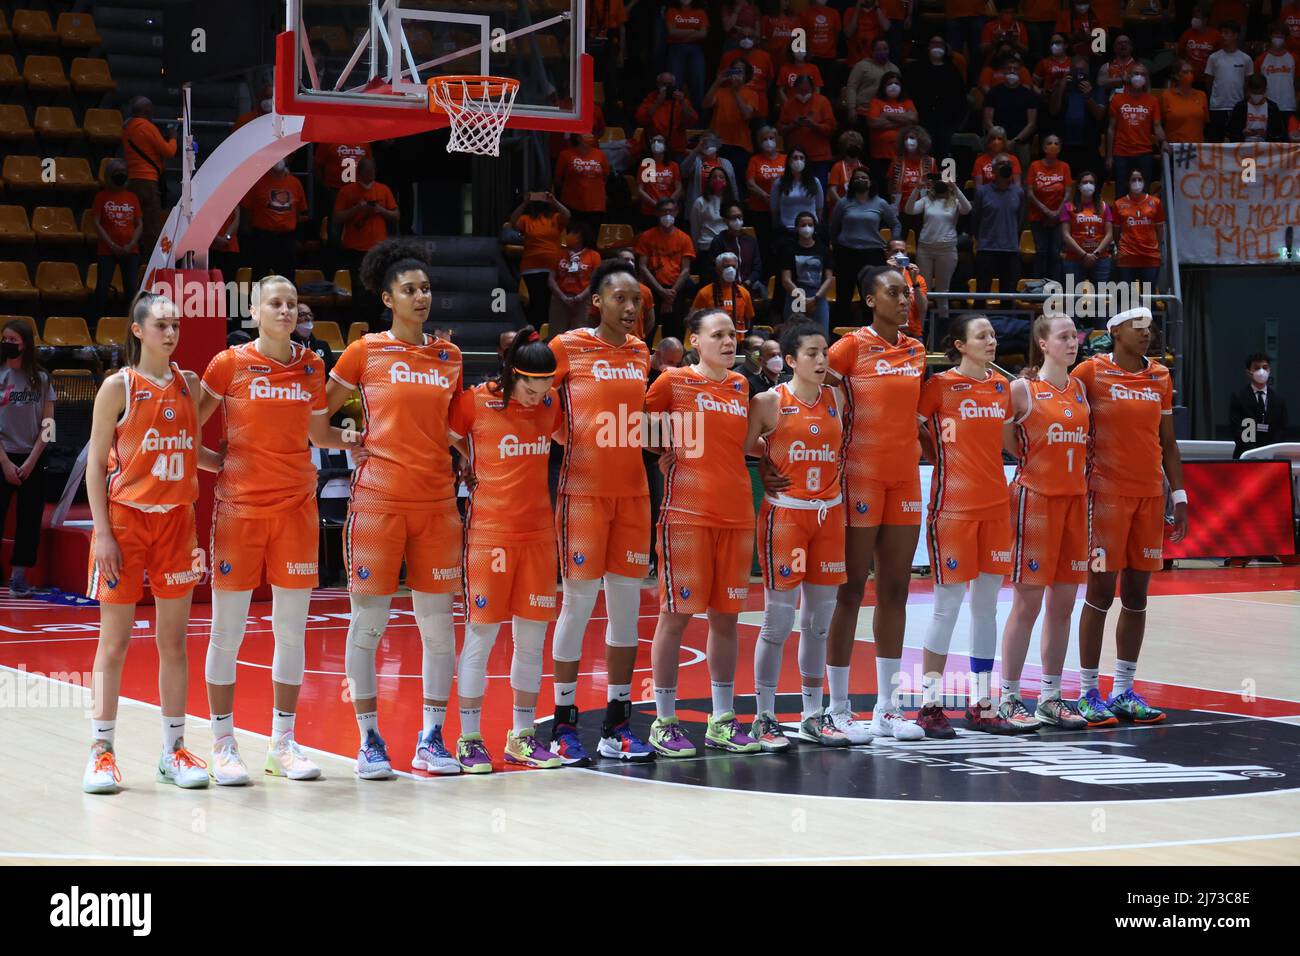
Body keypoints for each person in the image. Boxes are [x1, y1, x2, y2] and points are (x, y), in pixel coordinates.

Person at [197, 276, 354, 783]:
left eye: (292, 304)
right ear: (254, 310)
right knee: (228, 632)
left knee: (291, 630)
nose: (286, 311)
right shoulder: (229, 363)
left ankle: (282, 744)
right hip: (239, 509)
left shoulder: (311, 365)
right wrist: (215, 461)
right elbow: (187, 425)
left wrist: (369, 439)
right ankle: (223, 745)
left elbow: (318, 432)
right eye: (276, 303)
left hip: (296, 509)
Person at [323, 239, 464, 779]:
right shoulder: (364, 351)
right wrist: (349, 439)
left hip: (437, 505)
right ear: (388, 298)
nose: (421, 296)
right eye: (409, 290)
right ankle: (369, 741)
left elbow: (452, 431)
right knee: (369, 625)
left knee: (437, 628)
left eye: (426, 288)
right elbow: (317, 418)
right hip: (379, 503)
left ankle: (432, 738)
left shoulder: (448, 357)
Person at [82, 292, 217, 794]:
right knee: (113, 642)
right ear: (138, 331)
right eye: (160, 324)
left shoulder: (190, 384)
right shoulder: (118, 387)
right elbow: (97, 464)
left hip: (177, 524)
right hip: (126, 521)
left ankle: (174, 750)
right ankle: (100, 752)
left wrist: (231, 465)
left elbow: (190, 447)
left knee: (174, 642)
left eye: (175, 324)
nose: (171, 332)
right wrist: (102, 532)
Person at [545, 262, 655, 764]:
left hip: (633, 496)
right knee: (578, 606)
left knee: (627, 615)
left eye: (636, 300)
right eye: (619, 299)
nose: (630, 308)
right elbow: (540, 405)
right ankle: (563, 723)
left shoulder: (639, 351)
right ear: (597, 301)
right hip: (583, 495)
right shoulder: (567, 346)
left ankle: (617, 723)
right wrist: (575, 440)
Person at [445, 328, 565, 770]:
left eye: (546, 388)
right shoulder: (476, 401)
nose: (538, 397)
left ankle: (523, 735)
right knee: (482, 636)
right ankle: (470, 737)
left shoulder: (550, 405)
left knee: (531, 642)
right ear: (513, 376)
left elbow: (564, 436)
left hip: (538, 536)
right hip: (489, 536)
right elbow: (446, 433)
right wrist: (466, 458)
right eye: (530, 388)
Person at [645, 308, 760, 757]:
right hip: (686, 514)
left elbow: (741, 443)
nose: (729, 342)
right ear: (695, 340)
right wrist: (667, 447)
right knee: (675, 617)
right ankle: (664, 720)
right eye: (718, 335)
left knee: (726, 619)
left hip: (736, 514)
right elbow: (642, 430)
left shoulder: (740, 385)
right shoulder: (672, 381)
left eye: (733, 335)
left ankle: (723, 719)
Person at [817, 266, 926, 742]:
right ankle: (838, 707)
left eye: (907, 294)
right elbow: (818, 398)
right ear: (869, 299)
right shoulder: (849, 347)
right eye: (894, 293)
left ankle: (887, 707)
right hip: (860, 477)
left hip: (904, 479)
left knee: (897, 590)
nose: (904, 300)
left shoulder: (916, 350)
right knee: (851, 590)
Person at [1072, 306, 1187, 726]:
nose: (1149, 334)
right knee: (1100, 594)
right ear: (1116, 331)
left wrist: (1180, 495)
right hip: (1104, 499)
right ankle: (1087, 691)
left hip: (1149, 501)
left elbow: (1168, 443)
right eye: (1140, 328)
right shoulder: (1089, 373)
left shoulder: (1160, 376)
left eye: (1152, 329)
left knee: (1137, 597)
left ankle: (1124, 689)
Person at [745, 321, 850, 749]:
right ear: (790, 360)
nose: (822, 359)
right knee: (777, 622)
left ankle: (813, 713)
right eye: (811, 353)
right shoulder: (769, 402)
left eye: (824, 351)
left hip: (830, 515)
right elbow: (746, 446)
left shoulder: (837, 398)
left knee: (819, 625)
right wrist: (767, 466)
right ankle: (764, 716)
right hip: (786, 516)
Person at [915, 314, 1017, 737]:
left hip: (996, 507)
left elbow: (1010, 443)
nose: (991, 341)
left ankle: (982, 703)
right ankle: (929, 704)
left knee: (987, 609)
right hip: (953, 509)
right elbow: (914, 430)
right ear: (959, 344)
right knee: (946, 607)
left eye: (993, 335)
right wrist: (939, 455)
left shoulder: (1002, 387)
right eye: (982, 336)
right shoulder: (938, 387)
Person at [997, 313, 1091, 731]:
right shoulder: (1021, 391)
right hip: (1035, 501)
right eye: (1064, 336)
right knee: (1028, 602)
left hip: (1075, 502)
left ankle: (1050, 696)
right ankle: (1009, 696)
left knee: (1063, 605)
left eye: (1075, 336)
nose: (1073, 342)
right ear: (1043, 343)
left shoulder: (1081, 390)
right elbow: (1006, 441)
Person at [0, 320, 54, 597]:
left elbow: (49, 424)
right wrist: (5, 463)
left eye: (13, 339)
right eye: (4, 338)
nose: (7, 343)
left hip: (32, 457)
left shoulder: (41, 378)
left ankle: (18, 577)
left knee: (29, 520)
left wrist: (31, 461)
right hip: (3, 457)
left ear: (25, 343)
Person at [828, 168, 898, 326]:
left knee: (871, 295)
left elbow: (896, 224)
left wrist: (893, 243)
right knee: (843, 295)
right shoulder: (843, 203)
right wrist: (838, 245)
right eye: (857, 178)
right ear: (852, 182)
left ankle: (871, 332)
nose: (861, 180)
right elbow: (833, 227)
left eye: (864, 178)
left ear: (871, 182)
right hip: (847, 253)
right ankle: (838, 332)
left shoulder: (880, 203)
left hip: (872, 254)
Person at [906, 173, 971, 317]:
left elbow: (967, 209)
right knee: (923, 290)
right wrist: (917, 189)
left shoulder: (954, 201)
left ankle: (943, 326)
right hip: (925, 249)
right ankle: (921, 327)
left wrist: (955, 188)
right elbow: (909, 210)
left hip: (946, 250)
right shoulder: (926, 200)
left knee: (942, 292)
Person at [122, 96, 177, 258]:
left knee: (136, 224)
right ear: (146, 110)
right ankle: (149, 265)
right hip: (148, 181)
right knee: (152, 226)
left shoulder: (127, 128)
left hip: (132, 180)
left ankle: (135, 259)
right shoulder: (146, 126)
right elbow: (168, 151)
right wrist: (173, 137)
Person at [90, 160, 142, 324]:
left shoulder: (132, 197)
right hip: (107, 251)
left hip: (131, 251)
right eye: (117, 171)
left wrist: (131, 244)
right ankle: (97, 323)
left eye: (122, 170)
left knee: (132, 288)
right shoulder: (101, 197)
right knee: (102, 288)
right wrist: (112, 245)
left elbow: (139, 224)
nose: (120, 174)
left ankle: (132, 323)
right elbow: (96, 223)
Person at [634, 199, 696, 339]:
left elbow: (686, 269)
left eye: (671, 211)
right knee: (648, 332)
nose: (667, 214)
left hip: (675, 290)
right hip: (653, 289)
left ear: (676, 212)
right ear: (657, 213)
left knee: (674, 333)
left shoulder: (684, 238)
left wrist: (670, 294)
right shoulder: (646, 236)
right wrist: (661, 291)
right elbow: (642, 266)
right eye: (664, 211)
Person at [510, 191, 571, 330]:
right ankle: (536, 332)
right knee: (536, 303)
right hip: (531, 267)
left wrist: (554, 200)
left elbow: (567, 215)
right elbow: (513, 222)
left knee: (551, 303)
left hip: (553, 267)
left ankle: (550, 333)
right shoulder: (526, 219)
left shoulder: (555, 218)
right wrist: (524, 202)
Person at [901, 36, 967, 161]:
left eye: (940, 44)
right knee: (924, 154)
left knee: (943, 155)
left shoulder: (952, 70)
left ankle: (942, 180)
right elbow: (908, 93)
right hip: (922, 120)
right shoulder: (916, 68)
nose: (937, 46)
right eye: (934, 43)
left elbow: (961, 97)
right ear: (928, 47)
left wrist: (957, 123)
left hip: (946, 122)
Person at [240, 159, 308, 280]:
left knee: (287, 280)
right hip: (262, 238)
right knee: (259, 278)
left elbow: (299, 211)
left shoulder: (295, 183)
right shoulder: (257, 183)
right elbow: (246, 210)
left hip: (286, 239)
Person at [1106, 64, 1164, 198]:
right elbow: (1111, 128)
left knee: (1143, 193)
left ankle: (1142, 219)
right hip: (1121, 152)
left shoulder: (1153, 100)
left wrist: (1164, 142)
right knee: (1121, 192)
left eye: (1143, 74)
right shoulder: (1117, 99)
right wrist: (1109, 156)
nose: (1139, 77)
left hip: (1144, 153)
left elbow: (1157, 126)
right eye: (1136, 73)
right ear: (1129, 76)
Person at [971, 157, 1025, 297]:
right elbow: (975, 219)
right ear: (993, 170)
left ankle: (1007, 319)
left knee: (1009, 293)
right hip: (987, 248)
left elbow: (1019, 219)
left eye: (1008, 164)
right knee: (982, 291)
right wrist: (981, 238)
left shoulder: (1018, 192)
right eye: (1001, 164)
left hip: (1010, 249)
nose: (1005, 166)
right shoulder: (982, 192)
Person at [333, 158, 399, 271]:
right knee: (356, 282)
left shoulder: (384, 189)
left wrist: (381, 210)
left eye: (372, 171)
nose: (370, 174)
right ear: (359, 173)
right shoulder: (346, 191)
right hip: (354, 247)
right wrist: (356, 209)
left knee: (377, 282)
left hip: (378, 246)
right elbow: (336, 218)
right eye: (367, 171)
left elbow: (396, 216)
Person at [1049, 56, 1107, 183]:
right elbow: (1053, 111)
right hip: (1064, 146)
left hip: (1088, 146)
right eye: (1076, 71)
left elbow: (1099, 115)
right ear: (1070, 71)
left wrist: (1088, 97)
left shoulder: (1096, 88)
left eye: (1083, 71)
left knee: (1090, 184)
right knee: (1064, 185)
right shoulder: (1062, 87)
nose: (1079, 74)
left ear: (1088, 72)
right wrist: (1061, 86)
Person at [1025, 135, 1072, 284]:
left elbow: (1068, 192)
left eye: (1056, 143)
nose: (1053, 145)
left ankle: (1055, 286)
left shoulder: (1064, 167)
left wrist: (1057, 212)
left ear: (1060, 148)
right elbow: (1030, 193)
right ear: (1044, 147)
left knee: (1055, 253)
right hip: (1038, 216)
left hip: (1058, 218)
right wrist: (1045, 210)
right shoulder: (1034, 166)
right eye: (1049, 143)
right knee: (1041, 251)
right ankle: (1038, 287)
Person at [778, 76, 837, 191]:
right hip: (796, 158)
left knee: (819, 191)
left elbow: (831, 128)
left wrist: (814, 125)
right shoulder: (788, 104)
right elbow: (780, 129)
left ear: (812, 88)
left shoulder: (823, 102)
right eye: (801, 90)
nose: (804, 93)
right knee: (796, 190)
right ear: (795, 89)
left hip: (819, 157)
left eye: (806, 90)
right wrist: (793, 125)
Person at [1059, 172, 1114, 294]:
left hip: (1100, 259)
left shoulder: (1104, 207)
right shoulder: (1068, 207)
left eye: (1091, 182)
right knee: (1073, 301)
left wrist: (1095, 254)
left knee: (1100, 302)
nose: (1088, 185)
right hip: (1074, 259)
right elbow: (1066, 235)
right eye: (1084, 182)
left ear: (1095, 186)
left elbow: (1109, 234)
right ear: (1078, 186)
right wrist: (1084, 255)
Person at [863, 72, 918, 189]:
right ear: (883, 86)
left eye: (896, 83)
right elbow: (873, 123)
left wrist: (887, 115)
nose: (893, 86)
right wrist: (903, 121)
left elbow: (913, 119)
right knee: (882, 186)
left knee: (899, 186)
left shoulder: (907, 102)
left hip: (902, 153)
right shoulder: (876, 102)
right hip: (881, 154)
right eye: (890, 83)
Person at [983, 58, 1039, 173]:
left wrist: (1014, 141)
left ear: (1020, 72)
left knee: (1021, 178)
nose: (1012, 71)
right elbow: (987, 120)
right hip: (997, 143)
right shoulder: (993, 93)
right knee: (993, 174)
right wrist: (1001, 140)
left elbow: (1031, 123)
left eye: (1016, 69)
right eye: (1009, 68)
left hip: (1021, 144)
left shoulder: (1028, 94)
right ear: (1003, 71)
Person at [704, 60, 759, 177]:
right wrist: (717, 82)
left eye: (740, 71)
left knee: (737, 181)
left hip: (739, 145)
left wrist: (735, 92)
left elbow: (747, 114)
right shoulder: (720, 91)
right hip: (718, 143)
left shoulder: (752, 94)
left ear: (746, 75)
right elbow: (706, 104)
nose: (736, 74)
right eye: (734, 70)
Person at [1112, 169, 1165, 289]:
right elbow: (1116, 232)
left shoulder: (1155, 202)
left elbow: (1159, 231)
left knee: (1148, 299)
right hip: (1127, 258)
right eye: (1133, 180)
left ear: (1144, 182)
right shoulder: (1118, 204)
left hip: (1150, 257)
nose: (1137, 182)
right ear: (1127, 183)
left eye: (1140, 179)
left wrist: (1154, 247)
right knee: (1127, 300)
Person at [780, 211, 833, 330]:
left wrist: (815, 298)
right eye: (803, 225)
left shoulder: (824, 250)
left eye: (810, 224)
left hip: (818, 296)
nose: (807, 228)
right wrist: (802, 298)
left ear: (815, 227)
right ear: (797, 228)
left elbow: (829, 278)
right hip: (796, 295)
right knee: (793, 336)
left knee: (821, 333)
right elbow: (786, 280)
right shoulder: (789, 250)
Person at [547, 225, 602, 339]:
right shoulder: (558, 253)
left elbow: (595, 281)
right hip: (560, 299)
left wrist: (579, 297)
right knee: (556, 336)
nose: (568, 236)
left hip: (582, 301)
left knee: (579, 336)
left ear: (580, 237)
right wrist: (563, 297)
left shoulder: (594, 256)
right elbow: (551, 278)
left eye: (571, 232)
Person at [1230, 353, 1289, 457]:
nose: (1261, 371)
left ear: (1269, 370)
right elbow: (1237, 428)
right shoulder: (1239, 397)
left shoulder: (1279, 400)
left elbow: (1282, 429)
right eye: (1257, 368)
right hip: (1246, 454)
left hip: (1272, 456)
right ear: (1249, 372)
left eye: (1265, 367)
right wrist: (1253, 452)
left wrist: (1269, 451)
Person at [706, 204, 765, 305]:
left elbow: (757, 267)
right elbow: (712, 268)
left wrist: (748, 282)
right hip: (725, 286)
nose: (737, 220)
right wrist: (730, 283)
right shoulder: (719, 241)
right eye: (733, 217)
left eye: (739, 217)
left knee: (764, 296)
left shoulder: (751, 241)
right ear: (725, 220)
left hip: (748, 285)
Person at [1204, 22, 1253, 142]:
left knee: (1237, 141)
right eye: (1222, 33)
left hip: (1237, 107)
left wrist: (1242, 101)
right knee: (1215, 142)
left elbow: (1248, 84)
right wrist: (1216, 98)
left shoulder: (1246, 59)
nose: (1223, 36)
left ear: (1235, 35)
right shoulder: (1213, 58)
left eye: (1226, 33)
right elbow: (1208, 82)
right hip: (1217, 107)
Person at [554, 134, 610, 234]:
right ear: (578, 137)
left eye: (592, 134)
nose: (591, 137)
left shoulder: (600, 154)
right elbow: (558, 179)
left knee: (592, 239)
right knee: (574, 239)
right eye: (587, 135)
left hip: (596, 205)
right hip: (572, 204)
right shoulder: (565, 155)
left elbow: (605, 177)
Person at [635, 72, 700, 157]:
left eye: (670, 84)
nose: (667, 87)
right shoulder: (651, 99)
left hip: (676, 151)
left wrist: (682, 102)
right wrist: (657, 103)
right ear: (658, 85)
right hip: (652, 150)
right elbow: (640, 119)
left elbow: (693, 120)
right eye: (664, 84)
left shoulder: (681, 101)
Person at [769, 148, 826, 245]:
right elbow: (774, 210)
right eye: (795, 158)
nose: (798, 160)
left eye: (801, 158)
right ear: (789, 161)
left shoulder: (815, 181)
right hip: (787, 230)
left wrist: (816, 226)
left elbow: (819, 208)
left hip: (810, 229)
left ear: (806, 161)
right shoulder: (779, 183)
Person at [692, 252, 756, 333]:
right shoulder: (704, 293)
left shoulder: (744, 293)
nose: (730, 269)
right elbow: (693, 319)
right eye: (726, 266)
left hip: (738, 340)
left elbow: (749, 319)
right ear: (718, 269)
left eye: (733, 266)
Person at [745, 129, 785, 254]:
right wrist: (766, 197)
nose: (768, 141)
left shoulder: (786, 158)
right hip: (760, 210)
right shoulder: (754, 160)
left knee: (782, 243)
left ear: (777, 139)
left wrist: (776, 199)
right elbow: (750, 184)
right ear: (759, 142)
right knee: (764, 245)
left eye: (771, 138)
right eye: (764, 139)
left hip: (783, 209)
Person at [665, 0, 710, 108]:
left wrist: (681, 34)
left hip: (695, 49)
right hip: (676, 49)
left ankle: (698, 119)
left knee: (697, 83)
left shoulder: (700, 12)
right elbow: (671, 32)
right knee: (675, 84)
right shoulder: (672, 11)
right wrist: (693, 31)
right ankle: (673, 117)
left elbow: (703, 34)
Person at [636, 135, 683, 231]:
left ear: (665, 145)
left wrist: (666, 205)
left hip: (668, 212)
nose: (656, 143)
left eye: (660, 141)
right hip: (649, 211)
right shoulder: (646, 164)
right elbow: (640, 189)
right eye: (654, 141)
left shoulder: (673, 165)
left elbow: (678, 188)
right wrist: (655, 204)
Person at [845, 37, 900, 118]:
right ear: (872, 51)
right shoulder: (861, 66)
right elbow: (852, 88)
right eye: (878, 49)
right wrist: (851, 108)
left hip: (886, 112)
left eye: (885, 49)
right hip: (863, 110)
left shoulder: (894, 69)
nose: (882, 52)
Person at [690, 165, 739, 254]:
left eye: (721, 177)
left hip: (728, 246)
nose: (718, 179)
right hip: (707, 245)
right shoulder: (700, 202)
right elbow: (695, 228)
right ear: (709, 181)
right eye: (714, 177)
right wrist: (695, 249)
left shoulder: (732, 202)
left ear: (726, 181)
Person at [1160, 60, 1211, 145]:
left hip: (1197, 146)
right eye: (1185, 72)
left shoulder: (1201, 95)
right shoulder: (1166, 95)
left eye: (1191, 72)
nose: (1189, 74)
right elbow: (1161, 123)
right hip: (1175, 146)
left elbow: (1205, 122)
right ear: (1176, 75)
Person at [1228, 73, 1288, 142]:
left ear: (1265, 90)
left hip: (1266, 146)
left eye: (1260, 93)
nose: (1257, 95)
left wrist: (1267, 134)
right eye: (1254, 93)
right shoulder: (1240, 107)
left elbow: (1279, 132)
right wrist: (1242, 132)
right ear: (1249, 90)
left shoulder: (1272, 107)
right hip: (1244, 145)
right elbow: (1230, 130)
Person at [887, 239, 927, 339]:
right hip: (887, 334)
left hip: (913, 335)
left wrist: (915, 283)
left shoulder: (917, 278)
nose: (900, 254)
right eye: (895, 251)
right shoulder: (880, 277)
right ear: (887, 253)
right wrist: (890, 272)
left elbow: (923, 308)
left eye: (903, 251)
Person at [1255, 25, 1297, 116]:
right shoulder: (1260, 59)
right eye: (1275, 35)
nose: (1278, 38)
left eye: (1281, 36)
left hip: (1288, 104)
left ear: (1285, 38)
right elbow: (1256, 83)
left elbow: (1297, 82)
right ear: (1270, 36)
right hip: (1267, 105)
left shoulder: (1295, 58)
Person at [1177, 7, 1221, 85]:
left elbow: (1220, 57)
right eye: (1193, 17)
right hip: (1190, 78)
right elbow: (1180, 53)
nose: (1194, 20)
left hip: (1208, 78)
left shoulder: (1216, 35)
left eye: (1197, 17)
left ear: (1205, 19)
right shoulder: (1187, 33)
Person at [827, 130, 866, 211]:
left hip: (860, 211)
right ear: (844, 147)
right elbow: (832, 191)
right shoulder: (837, 167)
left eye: (856, 144)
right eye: (851, 145)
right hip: (841, 210)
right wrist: (844, 206)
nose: (854, 147)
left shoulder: (864, 169)